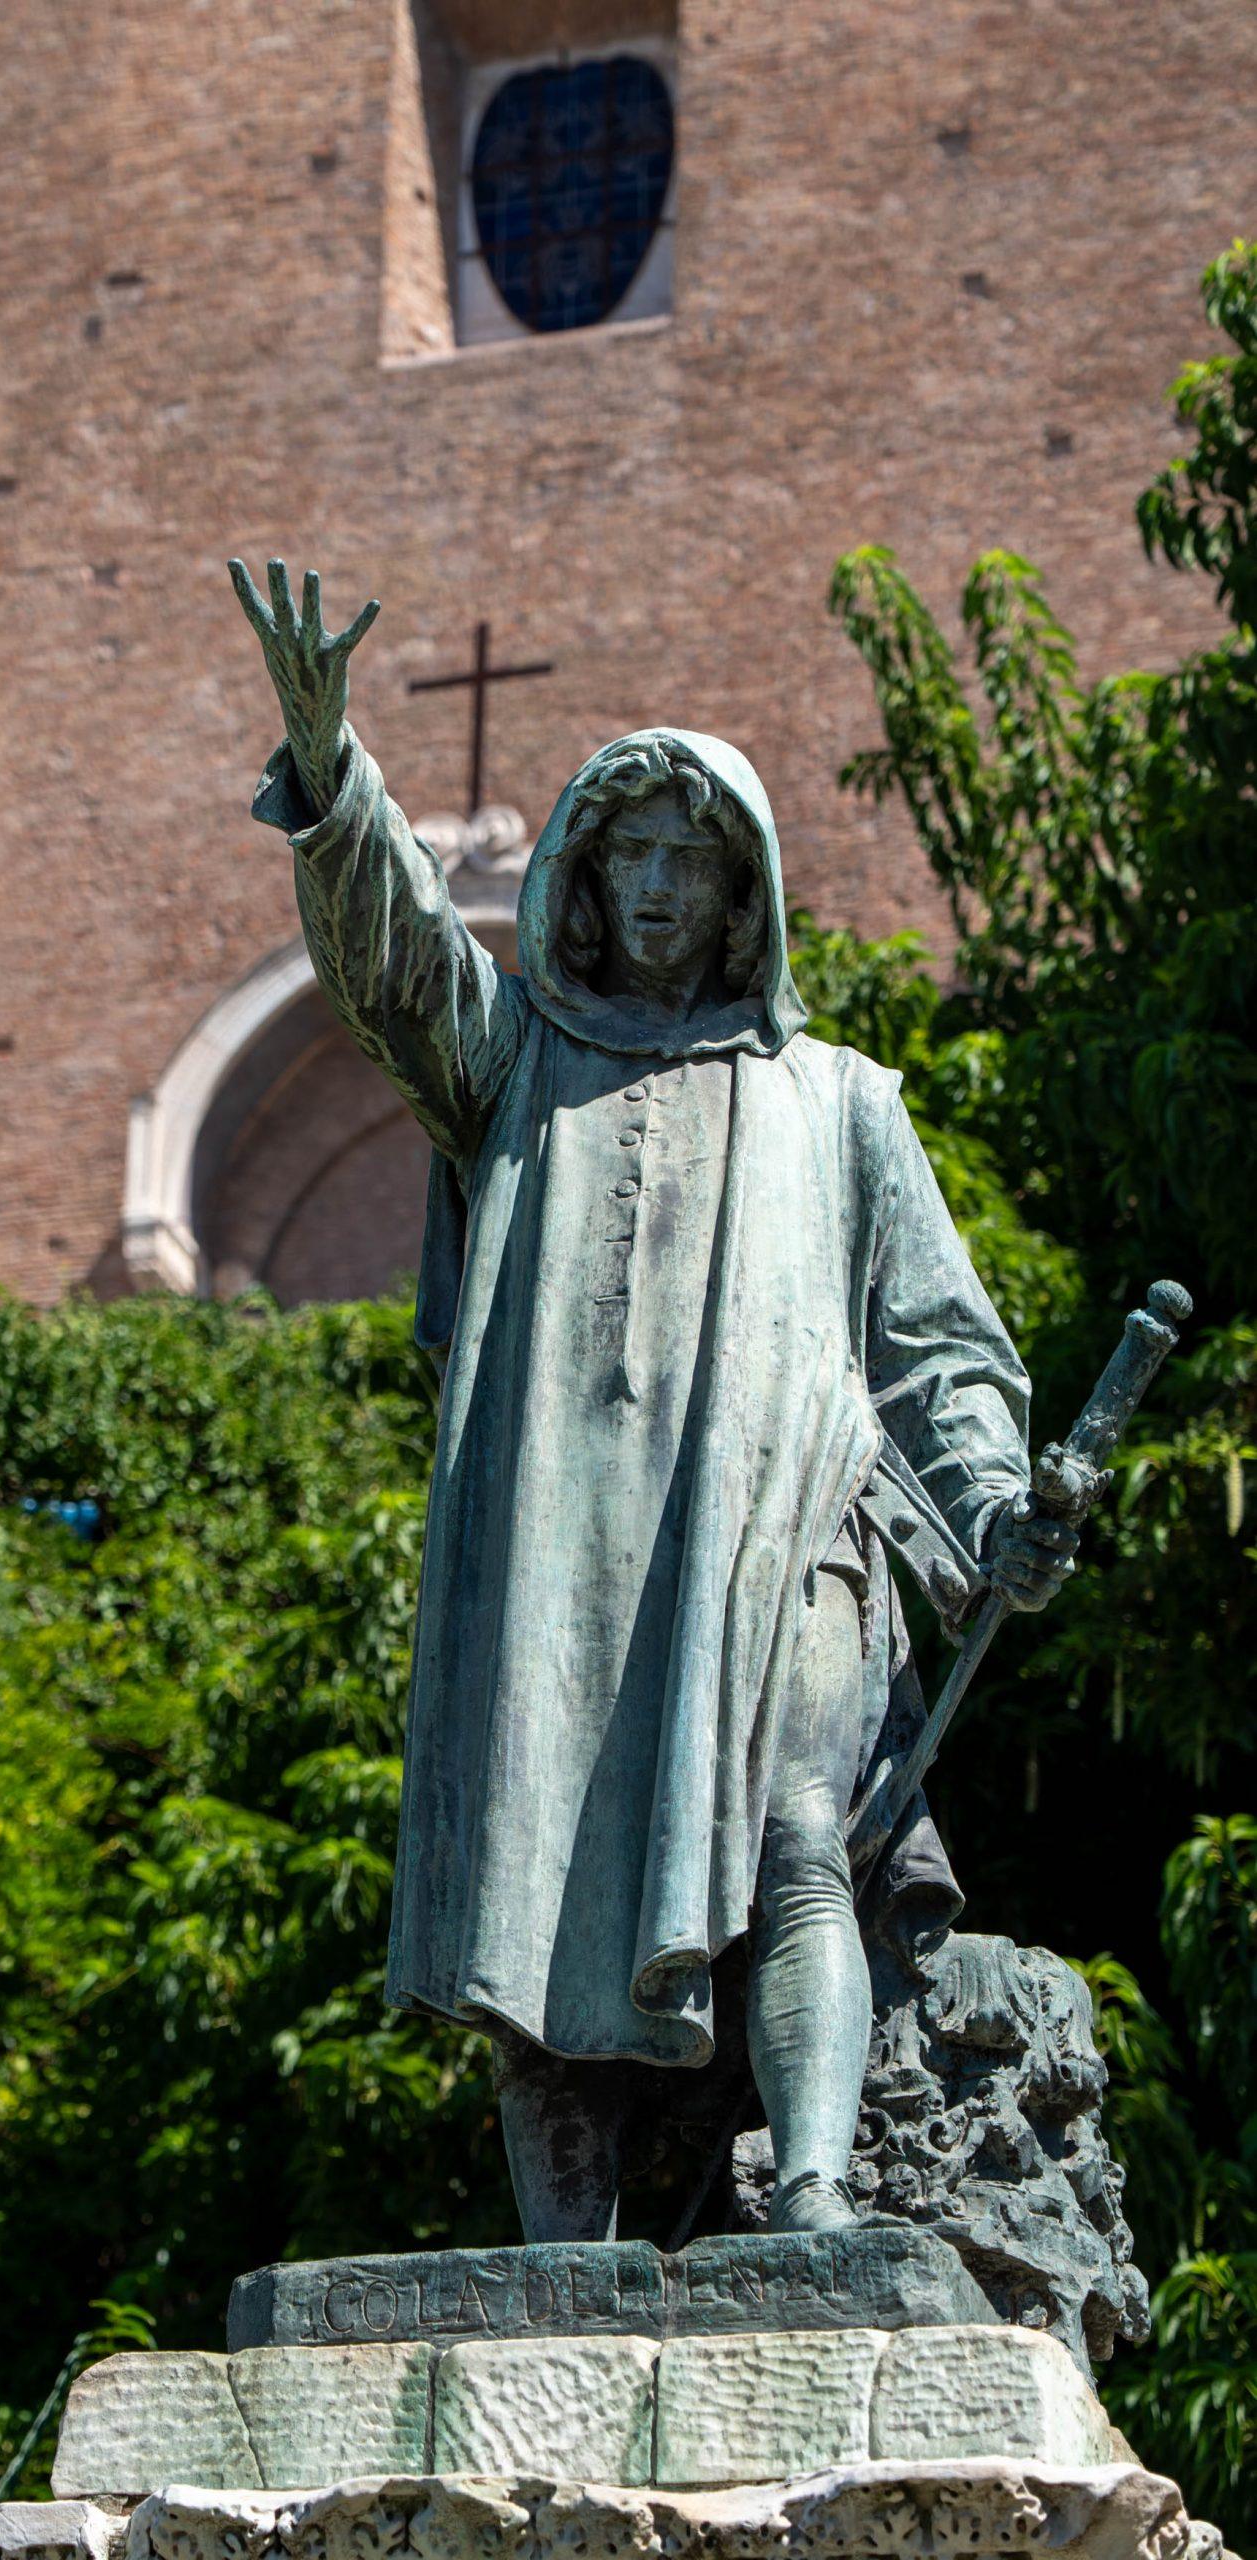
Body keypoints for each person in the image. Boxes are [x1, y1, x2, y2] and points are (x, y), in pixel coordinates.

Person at [230, 559, 1080, 2240]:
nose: (664, 887)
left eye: (696, 858)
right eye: (633, 855)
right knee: (528, 1871)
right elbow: (401, 968)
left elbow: (940, 1349)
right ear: (584, 875)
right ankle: (564, 2259)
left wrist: (994, 1508)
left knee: (803, 1834)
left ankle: (817, 2196)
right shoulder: (517, 1071)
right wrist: (333, 776)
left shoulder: (840, 1100)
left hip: (784, 1525)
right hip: (560, 1542)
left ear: (746, 889)